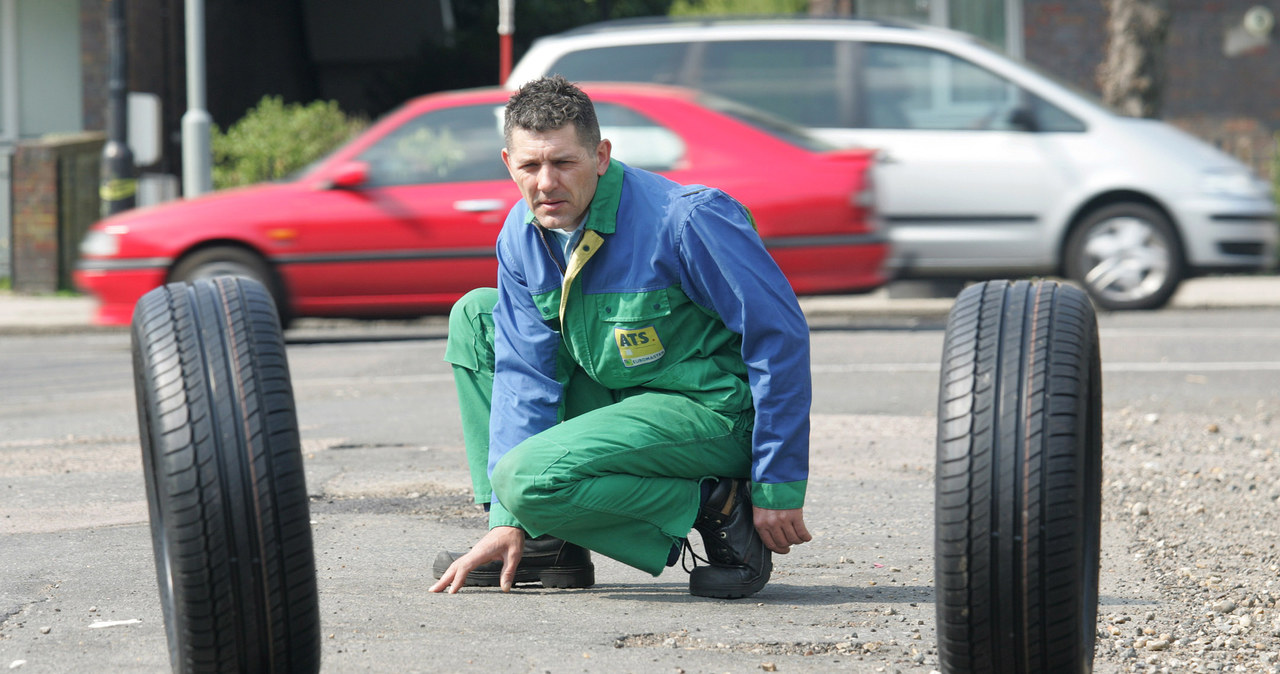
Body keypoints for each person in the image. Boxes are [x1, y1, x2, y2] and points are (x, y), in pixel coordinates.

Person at [429, 75, 812, 599]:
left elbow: (779, 340)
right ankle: (541, 538)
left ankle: (716, 502)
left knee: (524, 475)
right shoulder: (521, 233)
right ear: (507, 164)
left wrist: (778, 482)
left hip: (713, 410)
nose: (545, 183)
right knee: (477, 317)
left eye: (564, 163)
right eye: (530, 166)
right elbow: (526, 375)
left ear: (601, 155)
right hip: (628, 396)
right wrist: (506, 518)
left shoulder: (688, 219)